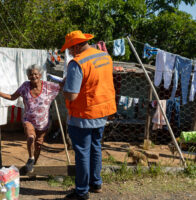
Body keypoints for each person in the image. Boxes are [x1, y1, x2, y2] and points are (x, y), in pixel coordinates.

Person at [61, 30, 116, 200]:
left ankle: (82, 191)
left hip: (83, 115)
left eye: (70, 49)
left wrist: (64, 85)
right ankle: (96, 183)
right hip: (102, 112)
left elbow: (71, 95)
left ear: (77, 46)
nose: (69, 52)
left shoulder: (77, 63)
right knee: (96, 147)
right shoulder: (105, 57)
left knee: (82, 152)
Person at [0, 64, 60, 173]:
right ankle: (31, 158)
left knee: (39, 144)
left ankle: (33, 163)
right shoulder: (25, 86)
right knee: (31, 137)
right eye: (31, 75)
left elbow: (62, 87)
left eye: (36, 74)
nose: (33, 76)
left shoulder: (48, 86)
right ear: (28, 77)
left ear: (40, 75)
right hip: (29, 120)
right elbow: (12, 97)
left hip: (43, 122)